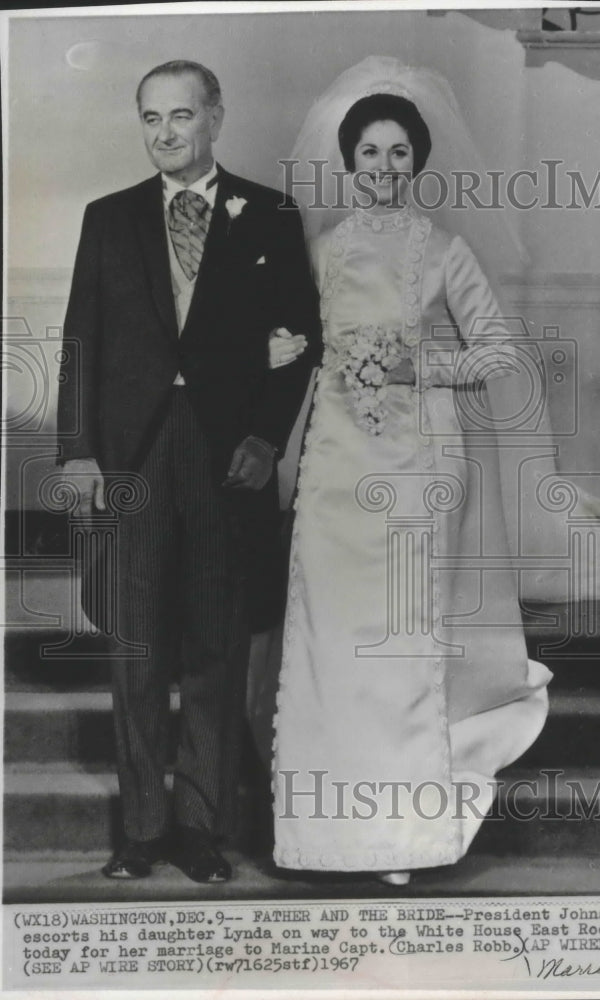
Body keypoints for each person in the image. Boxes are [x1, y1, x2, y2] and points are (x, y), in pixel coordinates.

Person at [268, 64, 554, 886]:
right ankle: (323, 835)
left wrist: (416, 367)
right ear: (349, 160)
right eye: (370, 152)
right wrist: (285, 350)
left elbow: (498, 353)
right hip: (335, 468)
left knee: (400, 651)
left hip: (420, 467)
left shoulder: (446, 251)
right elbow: (300, 345)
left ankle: (403, 839)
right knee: (333, 643)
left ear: (417, 162)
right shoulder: (321, 252)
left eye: (399, 153)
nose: (384, 168)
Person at [56, 60, 320, 883]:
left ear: (215, 117)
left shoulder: (269, 214)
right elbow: (80, 341)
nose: (165, 132)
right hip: (130, 454)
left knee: (215, 642)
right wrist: (76, 451)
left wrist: (267, 438)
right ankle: (141, 829)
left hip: (224, 454)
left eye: (180, 115)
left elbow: (300, 336)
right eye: (151, 118)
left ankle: (200, 826)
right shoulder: (109, 218)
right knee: (136, 644)